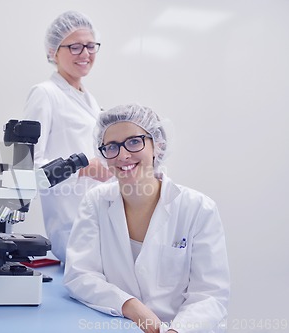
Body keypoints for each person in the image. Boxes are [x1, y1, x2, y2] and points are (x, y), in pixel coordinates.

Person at [63, 104, 230, 332]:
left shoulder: (199, 208)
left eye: (134, 142)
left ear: (157, 146)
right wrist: (130, 306)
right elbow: (80, 274)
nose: (123, 155)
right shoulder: (95, 202)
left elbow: (210, 294)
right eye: (111, 147)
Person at [23, 10, 111, 262]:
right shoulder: (45, 94)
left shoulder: (90, 101)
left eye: (90, 46)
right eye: (74, 47)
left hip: (98, 219)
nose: (85, 54)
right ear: (53, 52)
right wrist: (82, 169)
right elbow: (28, 171)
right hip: (70, 227)